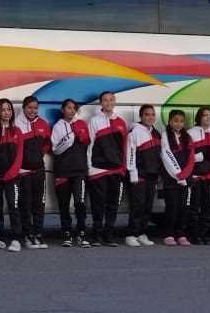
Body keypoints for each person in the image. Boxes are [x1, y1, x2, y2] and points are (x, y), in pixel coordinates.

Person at [86, 91, 128, 247]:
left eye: (111, 100)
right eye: (105, 100)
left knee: (113, 204)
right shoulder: (94, 121)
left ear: (115, 102)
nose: (108, 103)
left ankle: (108, 235)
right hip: (98, 170)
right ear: (100, 103)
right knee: (98, 205)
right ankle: (96, 235)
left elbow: (125, 147)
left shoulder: (121, 122)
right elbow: (89, 145)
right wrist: (89, 168)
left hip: (116, 170)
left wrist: (123, 167)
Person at [0, 98, 24, 251]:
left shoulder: (17, 131)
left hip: (11, 177)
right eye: (3, 109)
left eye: (9, 109)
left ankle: (16, 239)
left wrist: (11, 174)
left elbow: (19, 156)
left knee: (14, 207)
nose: (7, 112)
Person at [50, 98, 90, 247]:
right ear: (63, 110)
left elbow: (86, 141)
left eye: (74, 108)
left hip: (79, 171)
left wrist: (78, 132)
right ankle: (66, 232)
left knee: (80, 203)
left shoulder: (81, 124)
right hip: (62, 171)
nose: (71, 110)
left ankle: (81, 232)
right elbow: (55, 148)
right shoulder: (57, 126)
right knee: (64, 204)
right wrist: (70, 137)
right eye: (68, 108)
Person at [16, 96, 52, 249]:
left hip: (39, 170)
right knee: (25, 204)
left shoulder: (43, 124)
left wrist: (38, 156)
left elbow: (47, 144)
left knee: (39, 204)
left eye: (35, 108)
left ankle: (38, 234)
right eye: (30, 107)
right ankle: (27, 234)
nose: (32, 111)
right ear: (24, 108)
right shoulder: (16, 124)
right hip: (23, 172)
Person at [125, 104, 162, 247]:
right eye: (147, 114)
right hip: (139, 175)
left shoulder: (156, 133)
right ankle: (130, 234)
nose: (150, 117)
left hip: (152, 175)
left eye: (152, 114)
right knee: (137, 206)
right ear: (141, 116)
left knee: (147, 206)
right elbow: (130, 153)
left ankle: (141, 233)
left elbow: (159, 155)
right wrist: (132, 172)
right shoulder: (134, 131)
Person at [159, 109, 194, 246]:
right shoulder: (165, 136)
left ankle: (181, 234)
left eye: (181, 121)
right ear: (169, 121)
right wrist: (178, 175)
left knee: (183, 208)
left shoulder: (188, 137)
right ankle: (168, 233)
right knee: (172, 207)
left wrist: (185, 175)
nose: (178, 124)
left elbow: (191, 157)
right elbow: (166, 156)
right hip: (171, 178)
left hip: (186, 179)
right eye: (175, 121)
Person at [187, 106, 210, 245]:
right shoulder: (190, 133)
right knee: (194, 207)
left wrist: (207, 160)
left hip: (209, 176)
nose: (207, 117)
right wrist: (200, 157)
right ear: (199, 118)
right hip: (195, 176)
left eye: (209, 115)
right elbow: (187, 156)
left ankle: (203, 233)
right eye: (204, 115)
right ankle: (194, 235)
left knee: (208, 207)